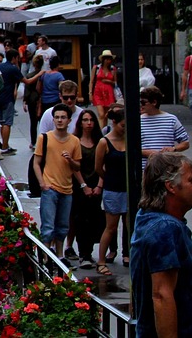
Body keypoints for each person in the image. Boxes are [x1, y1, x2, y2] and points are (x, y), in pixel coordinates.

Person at [130, 152, 192, 337]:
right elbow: (161, 296)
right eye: (190, 180)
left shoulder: (150, 218)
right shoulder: (164, 228)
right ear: (171, 186)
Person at [35, 103, 85, 260]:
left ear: (69, 120)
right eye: (57, 117)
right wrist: (42, 183)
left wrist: (70, 160)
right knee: (48, 227)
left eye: (63, 117)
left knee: (63, 227)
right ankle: (45, 258)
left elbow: (78, 166)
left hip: (67, 189)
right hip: (49, 188)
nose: (59, 120)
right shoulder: (45, 138)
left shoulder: (74, 141)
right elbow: (36, 162)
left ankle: (59, 256)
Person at [95, 105, 129, 275]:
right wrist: (107, 179)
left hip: (127, 188)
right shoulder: (104, 142)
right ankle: (101, 260)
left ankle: (130, 255)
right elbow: (98, 167)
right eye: (122, 125)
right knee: (111, 227)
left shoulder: (128, 139)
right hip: (112, 189)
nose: (125, 128)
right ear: (114, 123)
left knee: (130, 225)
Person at [70, 109, 105, 269]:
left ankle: (89, 252)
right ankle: (83, 253)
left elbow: (104, 164)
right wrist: (83, 185)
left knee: (94, 219)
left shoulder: (100, 142)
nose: (89, 123)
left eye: (91, 120)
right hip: (80, 186)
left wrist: (99, 185)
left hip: (97, 184)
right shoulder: (75, 141)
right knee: (80, 219)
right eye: (85, 120)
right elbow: (74, 166)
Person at [140, 86, 191, 166]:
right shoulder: (138, 121)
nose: (141, 105)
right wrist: (147, 152)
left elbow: (185, 143)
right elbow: (129, 146)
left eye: (143, 102)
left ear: (154, 102)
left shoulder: (171, 119)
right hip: (145, 168)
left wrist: (173, 149)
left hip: (166, 167)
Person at [0, 49, 24, 155]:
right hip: (7, 98)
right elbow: (26, 81)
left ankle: (3, 144)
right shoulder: (13, 68)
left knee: (0, 122)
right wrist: (40, 74)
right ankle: (5, 147)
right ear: (14, 58)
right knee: (7, 122)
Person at [92, 50, 118, 121]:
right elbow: (91, 81)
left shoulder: (113, 69)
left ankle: (104, 127)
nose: (108, 61)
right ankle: (100, 128)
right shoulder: (96, 68)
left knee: (106, 115)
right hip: (98, 92)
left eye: (109, 59)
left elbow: (115, 83)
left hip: (109, 93)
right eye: (106, 59)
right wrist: (90, 93)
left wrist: (108, 81)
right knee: (101, 114)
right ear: (103, 59)